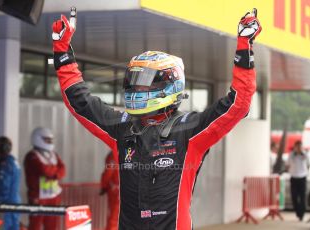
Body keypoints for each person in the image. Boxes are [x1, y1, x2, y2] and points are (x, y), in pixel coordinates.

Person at [52, 8, 261, 229]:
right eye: (133, 80)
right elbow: (80, 102)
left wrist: (244, 46)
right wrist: (62, 51)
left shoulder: (190, 130)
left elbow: (238, 104)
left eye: (144, 81)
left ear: (169, 84)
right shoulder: (122, 129)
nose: (136, 87)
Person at [24, 127, 66, 230]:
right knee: (35, 226)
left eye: (50, 140)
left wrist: (54, 172)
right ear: (38, 139)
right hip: (38, 197)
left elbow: (63, 169)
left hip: (53, 196)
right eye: (47, 139)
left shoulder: (53, 154)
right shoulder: (32, 156)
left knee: (52, 226)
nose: (50, 142)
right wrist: (56, 171)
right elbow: (44, 170)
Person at [0, 136, 21, 230]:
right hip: (14, 203)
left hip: (5, 206)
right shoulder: (13, 161)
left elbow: (3, 188)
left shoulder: (4, 166)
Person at [286, 141, 309, 221]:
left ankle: (301, 214)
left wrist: (302, 153)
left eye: (300, 146)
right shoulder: (291, 155)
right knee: (294, 196)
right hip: (294, 177)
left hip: (302, 178)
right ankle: (297, 211)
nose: (299, 148)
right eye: (297, 146)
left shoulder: (305, 154)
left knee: (302, 197)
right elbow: (287, 165)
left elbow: (308, 164)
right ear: (295, 147)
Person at [100, 151, 119, 230]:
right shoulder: (133, 153)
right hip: (130, 190)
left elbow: (108, 172)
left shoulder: (113, 155)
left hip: (116, 192)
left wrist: (103, 186)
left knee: (113, 218)